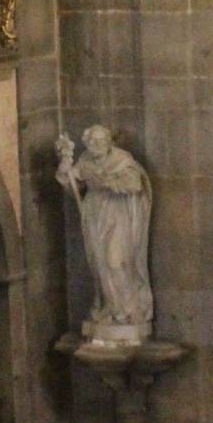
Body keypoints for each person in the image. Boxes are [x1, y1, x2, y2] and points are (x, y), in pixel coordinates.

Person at [55, 125, 155, 341]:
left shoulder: (122, 159)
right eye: (92, 142)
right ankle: (110, 309)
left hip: (118, 215)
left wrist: (105, 181)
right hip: (94, 214)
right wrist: (65, 167)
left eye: (101, 141)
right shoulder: (86, 160)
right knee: (99, 263)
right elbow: (70, 181)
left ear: (109, 142)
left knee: (115, 261)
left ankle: (128, 312)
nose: (96, 145)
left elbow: (135, 184)